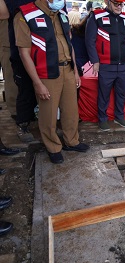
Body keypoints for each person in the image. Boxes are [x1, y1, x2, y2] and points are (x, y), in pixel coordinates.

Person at [15, 0, 90, 164]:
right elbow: (24, 53)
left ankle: (72, 141)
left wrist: (76, 72)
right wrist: (37, 83)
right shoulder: (25, 15)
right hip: (46, 73)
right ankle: (53, 147)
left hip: (68, 70)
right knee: (48, 114)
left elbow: (70, 46)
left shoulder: (62, 14)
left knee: (71, 111)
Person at [86, 0, 125, 131]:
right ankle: (102, 119)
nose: (119, 7)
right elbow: (89, 40)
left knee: (121, 93)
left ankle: (119, 116)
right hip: (105, 65)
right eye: (116, 4)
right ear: (108, 3)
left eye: (121, 4)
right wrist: (95, 61)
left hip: (124, 65)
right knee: (104, 93)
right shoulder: (96, 16)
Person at [4, 0, 37, 143]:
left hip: (42, 55)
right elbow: (3, 13)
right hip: (21, 53)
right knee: (25, 90)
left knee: (45, 90)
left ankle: (43, 122)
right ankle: (22, 125)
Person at [0, 2, 18, 119]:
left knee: (11, 75)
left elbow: (4, 14)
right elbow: (4, 14)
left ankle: (16, 110)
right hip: (6, 35)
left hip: (8, 36)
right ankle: (15, 110)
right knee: (10, 74)